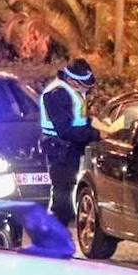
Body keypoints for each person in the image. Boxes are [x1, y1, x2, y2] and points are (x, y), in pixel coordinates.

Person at [40, 58, 101, 225]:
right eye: (84, 85)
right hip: (60, 150)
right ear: (71, 80)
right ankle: (55, 239)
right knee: (63, 198)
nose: (86, 89)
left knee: (67, 194)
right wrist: (96, 134)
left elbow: (78, 121)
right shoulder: (57, 94)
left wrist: (94, 126)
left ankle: (58, 236)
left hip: (71, 149)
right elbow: (65, 130)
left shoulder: (70, 91)